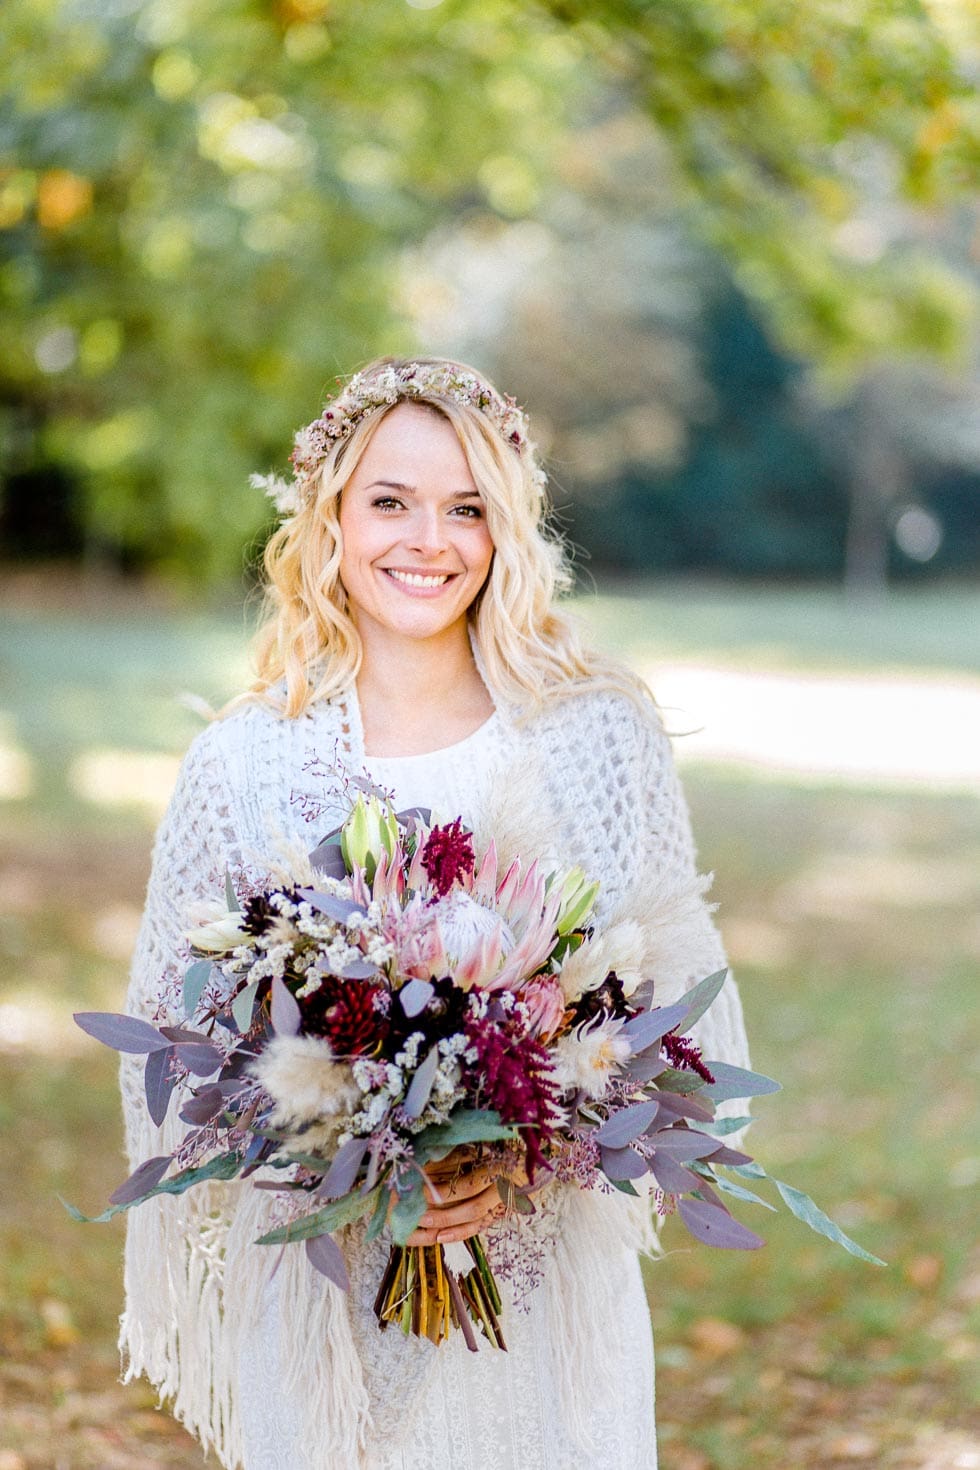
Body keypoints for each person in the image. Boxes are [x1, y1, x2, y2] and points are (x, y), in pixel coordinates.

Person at [119, 357, 751, 1470]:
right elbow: (177, 1055)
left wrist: (515, 1151)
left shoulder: (594, 740)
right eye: (391, 501)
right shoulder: (243, 763)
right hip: (320, 1299)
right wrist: (353, 1166)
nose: (430, 540)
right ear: (330, 517)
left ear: (503, 527)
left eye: (465, 508)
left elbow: (681, 1025)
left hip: (541, 1304)